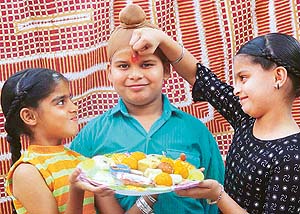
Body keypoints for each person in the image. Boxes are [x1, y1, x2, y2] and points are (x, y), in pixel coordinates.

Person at [70, 4, 224, 214]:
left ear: (167, 70)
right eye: (123, 66)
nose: (135, 75)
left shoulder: (196, 131)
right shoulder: (93, 135)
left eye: (147, 65)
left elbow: (217, 202)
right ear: (109, 72)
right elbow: (74, 197)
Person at [129, 28, 300, 213]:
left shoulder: (293, 156)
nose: (236, 89)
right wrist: (161, 39)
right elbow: (199, 77)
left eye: (243, 78)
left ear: (278, 77)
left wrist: (218, 195)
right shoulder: (246, 118)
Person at [1, 68, 115, 214]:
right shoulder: (27, 171)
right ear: (29, 116)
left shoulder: (82, 161)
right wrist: (76, 190)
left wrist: (151, 192)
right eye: (61, 102)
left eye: (70, 99)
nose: (74, 107)